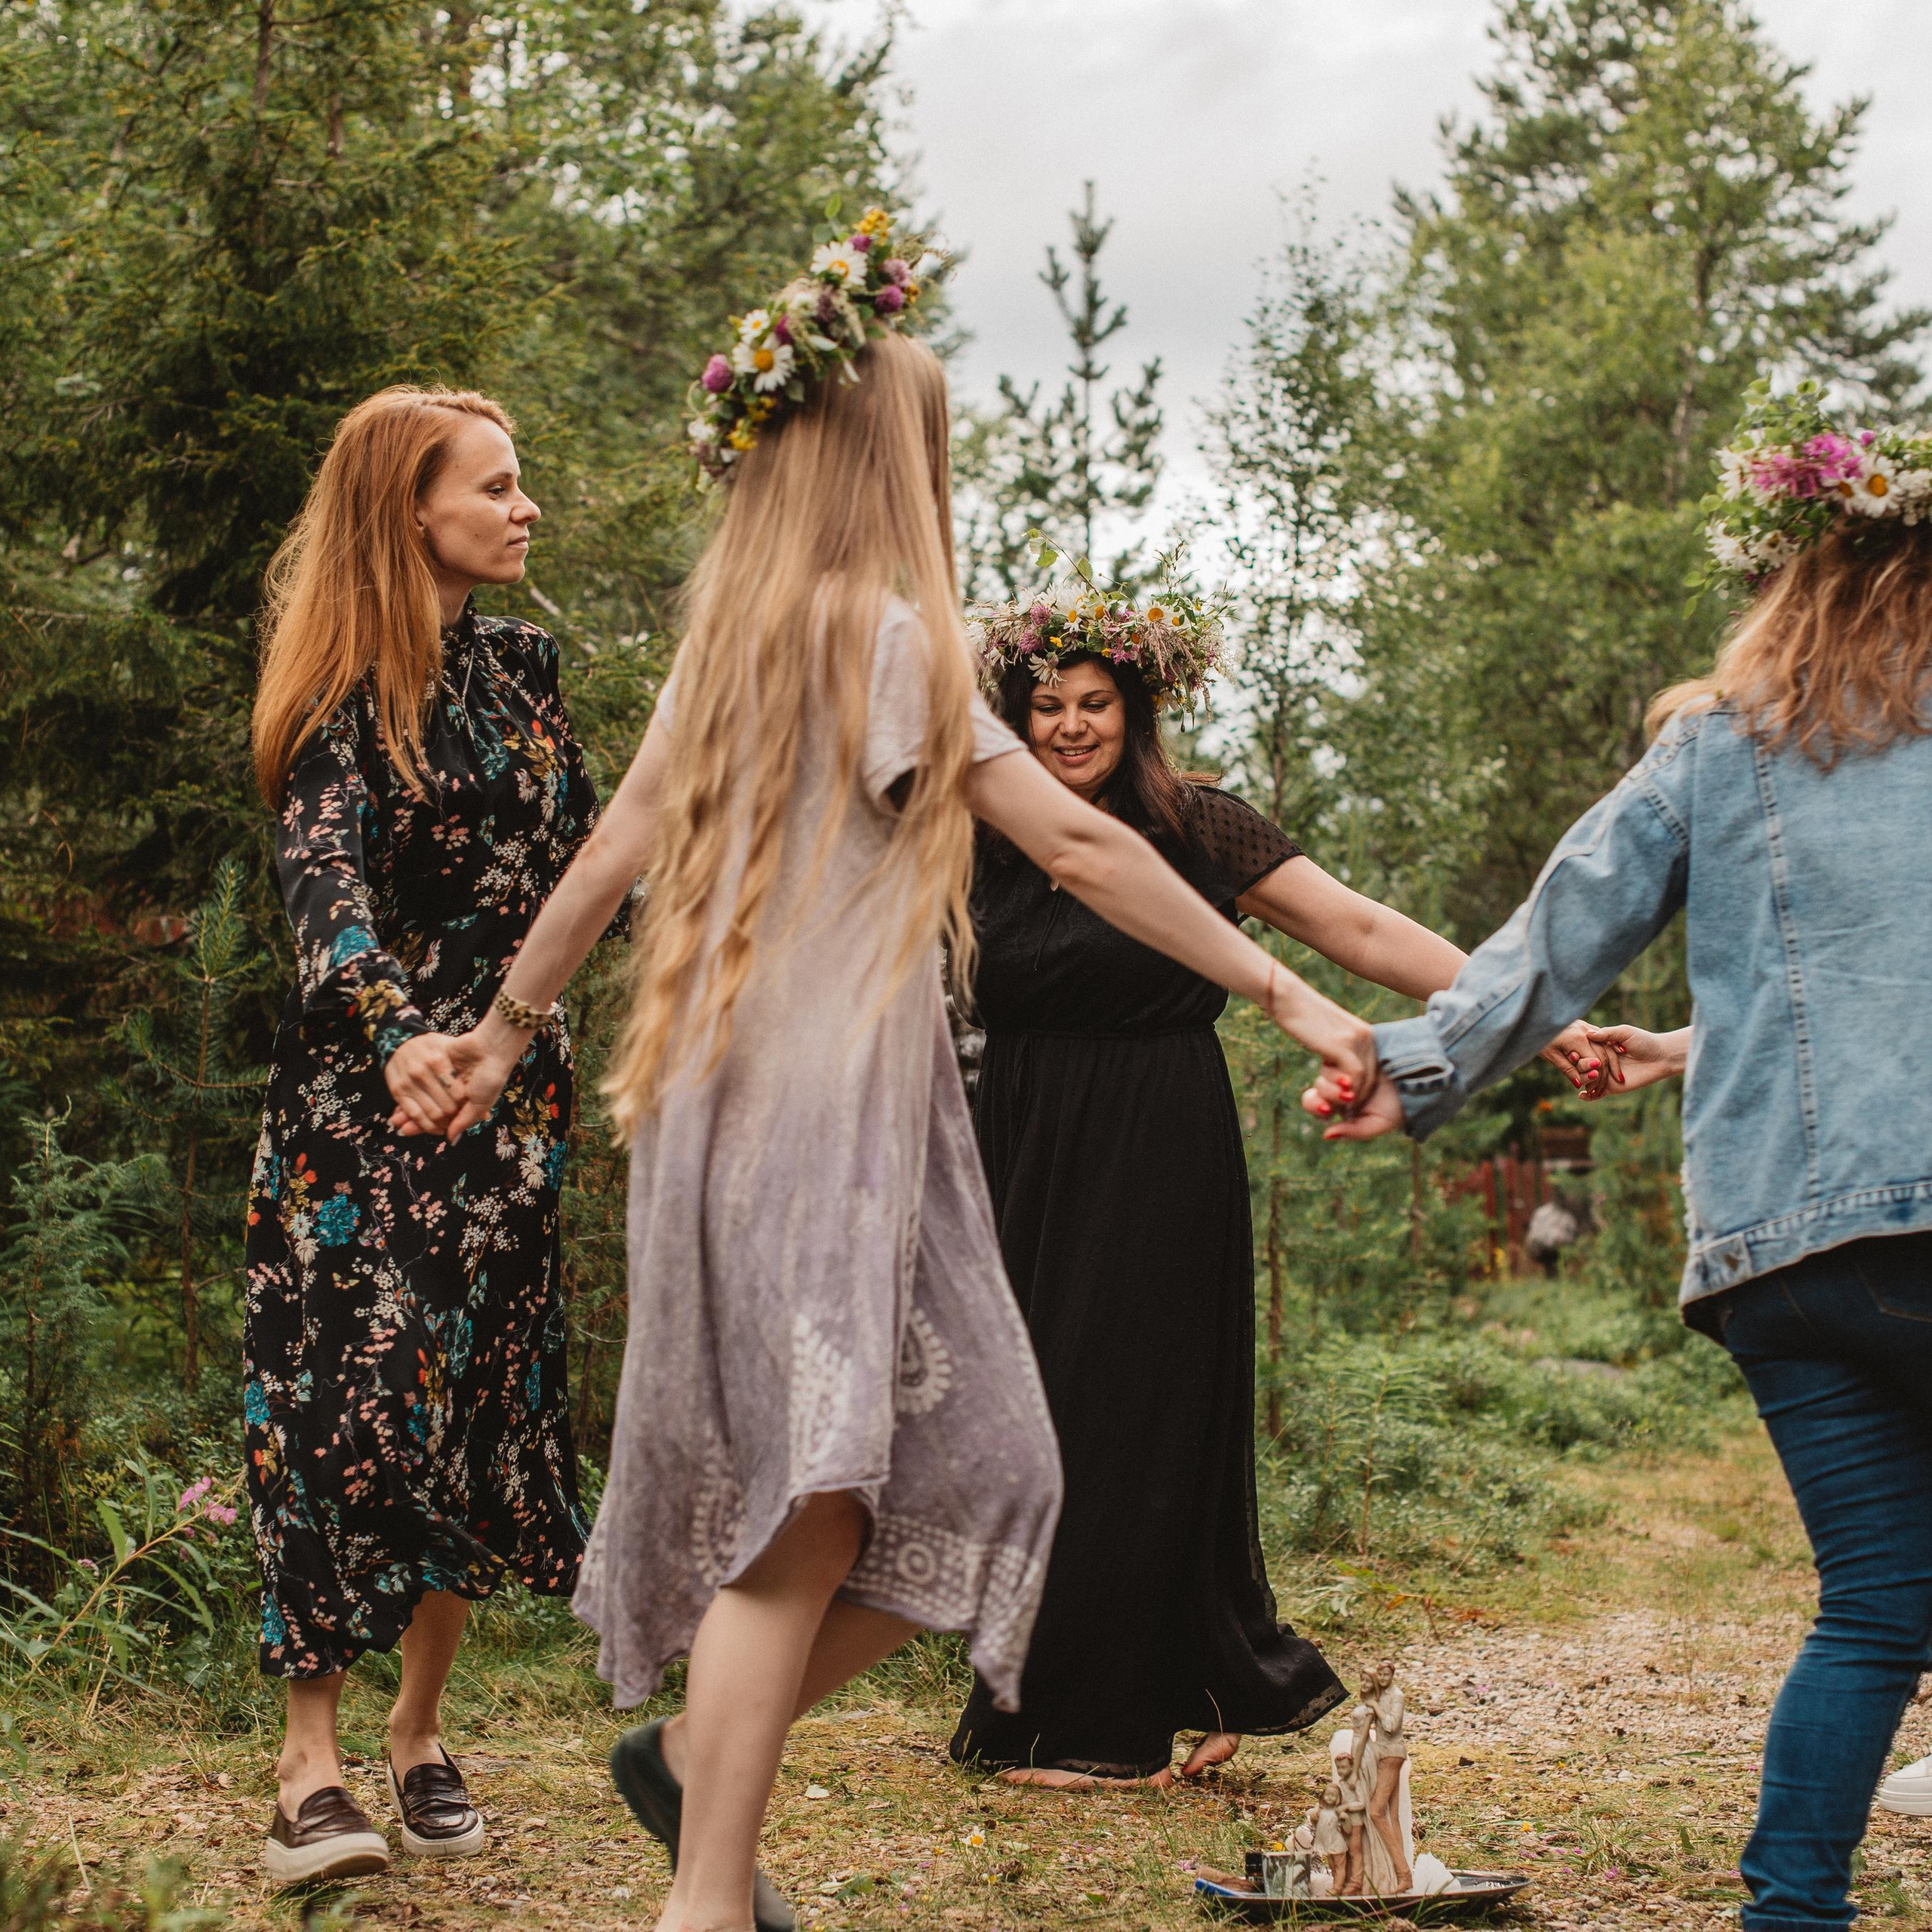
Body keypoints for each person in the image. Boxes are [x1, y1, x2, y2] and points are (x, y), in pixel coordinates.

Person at [408, 213, 1380, 1932]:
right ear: (887, 460)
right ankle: (704, 1893)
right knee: (812, 1519)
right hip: (821, 1113)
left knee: (993, 1466)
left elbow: (623, 841)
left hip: (743, 1109)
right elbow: (1077, 845)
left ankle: (701, 1771)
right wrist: (1283, 994)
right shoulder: (876, 634)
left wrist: (504, 1025)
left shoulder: (743, 636)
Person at [1309, 387, 1932, 1932]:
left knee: (1869, 1606)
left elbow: (1559, 929)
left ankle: (1790, 1912)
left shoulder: (1715, 746)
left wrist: (1415, 1067)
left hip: (1780, 1254)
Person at [947, 586, 1604, 1786]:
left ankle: (1108, 1724)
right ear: (1014, 717)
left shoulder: (1196, 826)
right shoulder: (975, 835)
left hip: (1155, 1147)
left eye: (1097, 704)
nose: (1071, 727)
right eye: (1046, 707)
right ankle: (1103, 1689)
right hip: (1020, 1152)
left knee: (1130, 1410)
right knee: (1025, 1418)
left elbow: (1356, 930)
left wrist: (1534, 1014)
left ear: (1137, 713)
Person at [245, 387, 619, 1881]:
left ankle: (417, 1730)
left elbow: (601, 859)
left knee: (471, 1410)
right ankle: (307, 1761)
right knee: (337, 1417)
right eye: (498, 485)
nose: (525, 508)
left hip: (511, 1095)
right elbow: (319, 878)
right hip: (365, 1106)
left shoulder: (525, 664)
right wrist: (396, 1029)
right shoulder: (342, 681)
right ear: (411, 507)